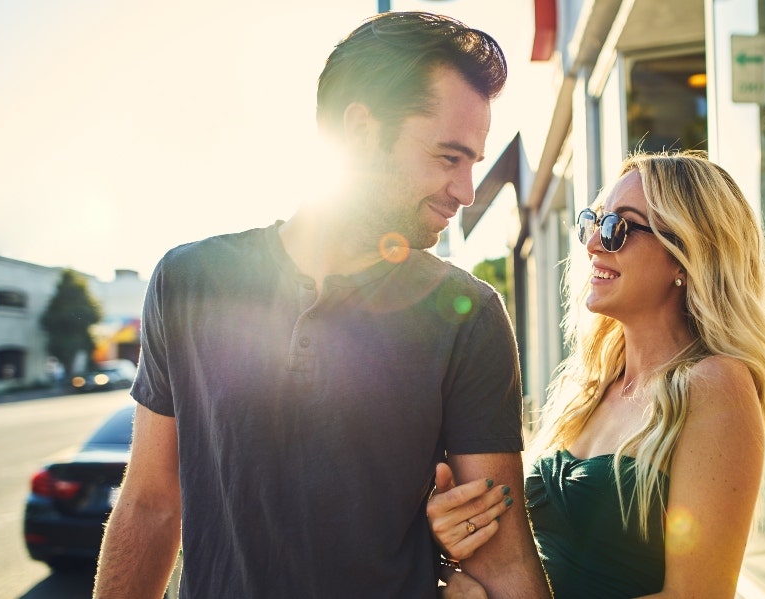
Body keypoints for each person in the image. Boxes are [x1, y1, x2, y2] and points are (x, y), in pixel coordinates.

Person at [93, 11, 550, 599]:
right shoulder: (189, 281)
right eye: (447, 158)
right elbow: (150, 505)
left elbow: (503, 557)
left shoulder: (468, 313)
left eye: (472, 164)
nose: (464, 191)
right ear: (360, 130)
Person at [427, 149, 765, 598]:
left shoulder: (714, 385)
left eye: (618, 229)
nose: (593, 242)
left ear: (685, 256)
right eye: (593, 222)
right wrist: (460, 536)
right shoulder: (588, 388)